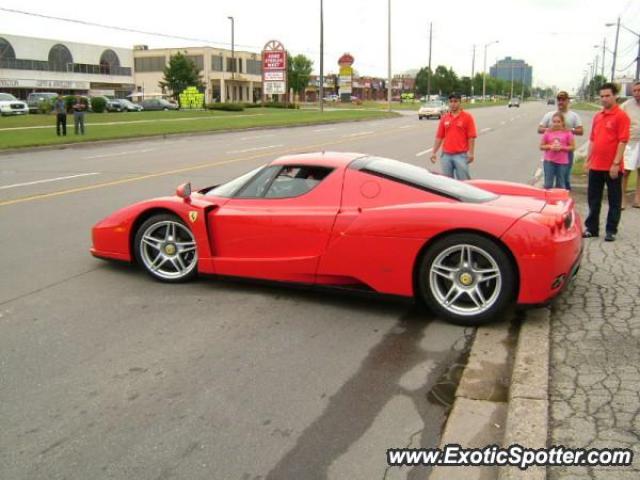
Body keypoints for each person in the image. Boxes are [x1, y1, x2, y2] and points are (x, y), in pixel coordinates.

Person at [583, 82, 631, 242]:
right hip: (596, 165)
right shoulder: (598, 116)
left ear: (615, 96)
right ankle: (592, 228)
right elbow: (592, 140)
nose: (604, 99)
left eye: (607, 96)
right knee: (593, 199)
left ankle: (611, 230)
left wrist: (616, 164)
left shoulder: (621, 116)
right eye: (602, 96)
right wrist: (587, 160)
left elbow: (622, 141)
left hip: (612, 167)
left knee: (614, 200)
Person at [537, 91, 583, 189]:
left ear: (567, 101)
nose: (561, 102)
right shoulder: (550, 115)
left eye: (563, 100)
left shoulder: (573, 116)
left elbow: (580, 131)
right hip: (551, 152)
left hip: (566, 152)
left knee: (564, 178)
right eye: (559, 100)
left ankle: (563, 196)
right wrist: (550, 130)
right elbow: (540, 129)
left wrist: (569, 130)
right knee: (548, 181)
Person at [430, 92, 477, 180]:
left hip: (461, 156)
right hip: (446, 156)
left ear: (460, 102)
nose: (453, 104)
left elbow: (471, 137)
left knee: (464, 182)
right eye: (451, 101)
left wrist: (471, 153)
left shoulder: (467, 117)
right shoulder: (445, 117)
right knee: (447, 183)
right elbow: (439, 136)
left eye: (455, 101)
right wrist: (434, 152)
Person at [540, 112, 575, 189]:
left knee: (560, 184)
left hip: (562, 162)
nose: (556, 124)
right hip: (549, 161)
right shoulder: (548, 132)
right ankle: (547, 199)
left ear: (562, 122)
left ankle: (559, 200)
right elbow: (541, 146)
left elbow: (572, 147)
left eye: (558, 122)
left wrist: (562, 148)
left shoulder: (567, 133)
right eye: (554, 122)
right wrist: (550, 146)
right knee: (548, 184)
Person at [621, 81, 640, 208]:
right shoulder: (626, 105)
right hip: (630, 142)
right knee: (626, 171)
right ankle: (622, 198)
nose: (637, 93)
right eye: (635, 91)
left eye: (639, 91)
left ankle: (637, 198)